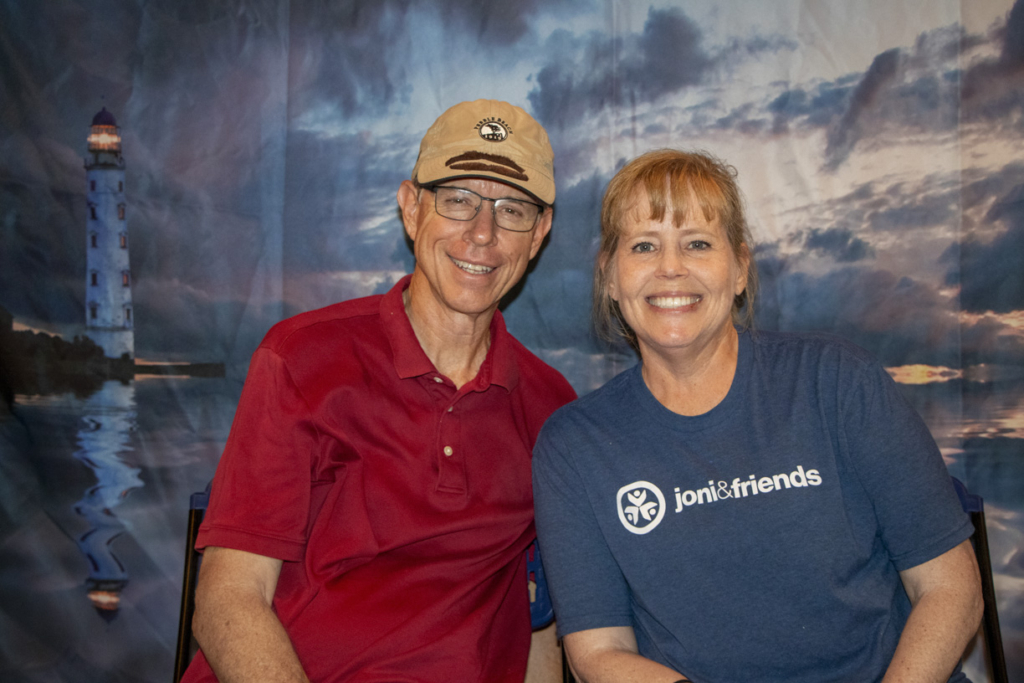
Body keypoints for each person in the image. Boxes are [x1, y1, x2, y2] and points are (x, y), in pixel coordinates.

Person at [532, 149, 983, 683]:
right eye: (644, 245)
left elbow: (950, 589)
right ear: (609, 277)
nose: (670, 267)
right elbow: (598, 653)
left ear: (740, 268)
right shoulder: (575, 446)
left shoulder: (837, 381)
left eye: (697, 243)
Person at [183, 100, 576, 683]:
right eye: (459, 199)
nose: (483, 232)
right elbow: (227, 601)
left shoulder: (552, 407)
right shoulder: (301, 358)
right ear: (412, 208)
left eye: (512, 208)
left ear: (539, 234)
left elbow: (537, 614)